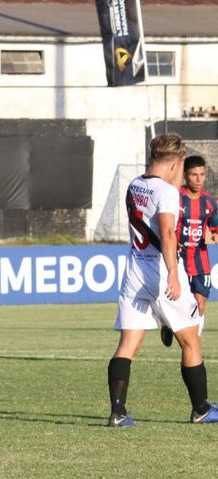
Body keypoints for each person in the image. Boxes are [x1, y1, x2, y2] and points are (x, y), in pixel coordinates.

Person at [107, 133, 218, 427]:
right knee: (190, 339)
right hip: (159, 269)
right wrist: (173, 274)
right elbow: (168, 232)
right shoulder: (168, 192)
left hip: (134, 270)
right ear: (175, 163)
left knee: (128, 343)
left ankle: (118, 413)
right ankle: (201, 409)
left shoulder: (135, 184)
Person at [160, 155, 218, 347]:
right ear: (185, 175)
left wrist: (216, 234)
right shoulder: (174, 198)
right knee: (179, 302)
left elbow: (214, 226)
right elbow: (165, 226)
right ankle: (169, 325)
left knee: (200, 304)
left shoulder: (210, 202)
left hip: (200, 258)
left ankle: (194, 345)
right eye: (194, 175)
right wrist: (173, 241)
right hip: (178, 259)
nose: (199, 179)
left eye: (202, 174)